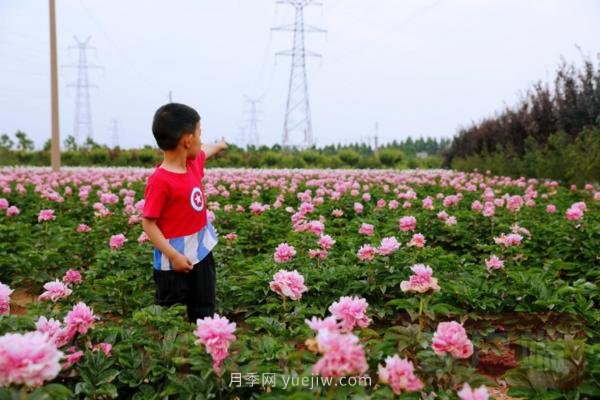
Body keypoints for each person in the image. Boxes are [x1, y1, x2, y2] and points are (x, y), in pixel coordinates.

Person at [142, 103, 228, 322]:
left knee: (204, 307)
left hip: (202, 252)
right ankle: (172, 353)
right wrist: (173, 256)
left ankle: (202, 346)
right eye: (200, 133)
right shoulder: (160, 181)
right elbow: (149, 224)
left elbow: (205, 151)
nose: (202, 140)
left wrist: (219, 145)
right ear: (188, 140)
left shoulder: (193, 164)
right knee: (170, 316)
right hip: (173, 263)